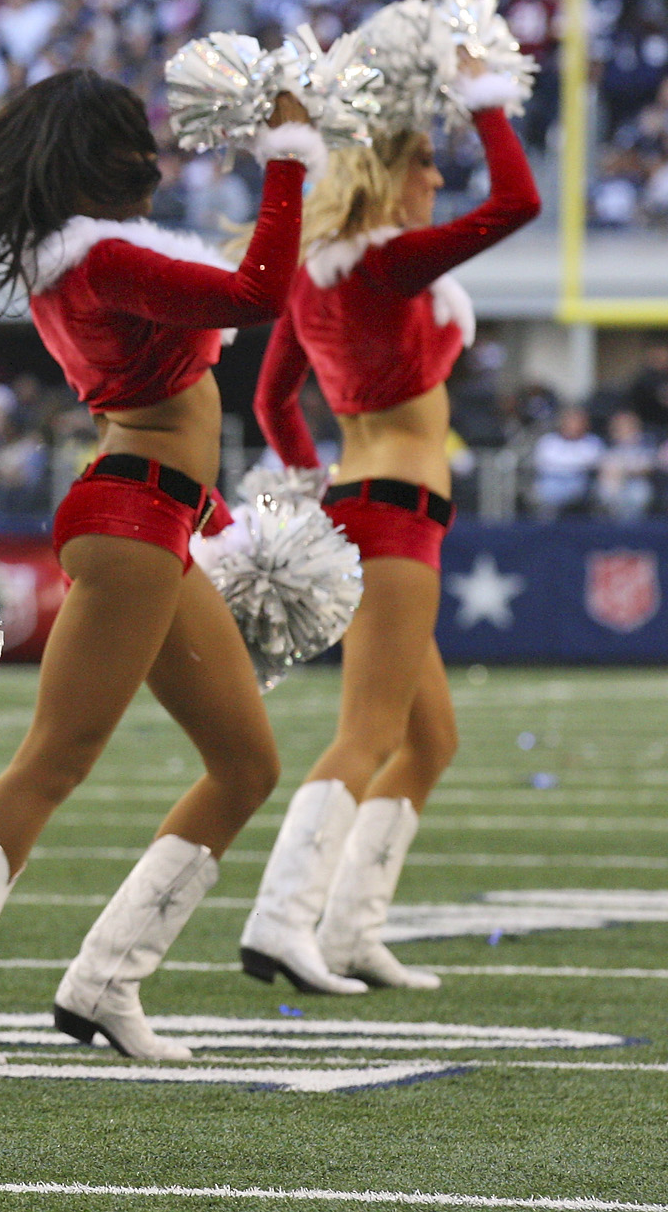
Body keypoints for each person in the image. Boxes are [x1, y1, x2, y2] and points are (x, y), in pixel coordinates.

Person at [0, 69, 319, 1064]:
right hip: (128, 524)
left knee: (246, 765)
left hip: (155, 522)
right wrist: (285, 163)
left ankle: (104, 982)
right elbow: (257, 291)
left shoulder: (99, 259)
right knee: (53, 758)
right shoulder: (103, 261)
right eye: (138, 150)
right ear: (105, 165)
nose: (156, 168)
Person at [247, 60, 538, 993]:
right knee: (369, 730)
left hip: (361, 506)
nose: (437, 179)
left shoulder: (317, 276)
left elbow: (271, 400)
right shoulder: (386, 260)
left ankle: (349, 928)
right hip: (397, 515)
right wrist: (490, 100)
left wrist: (305, 487)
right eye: (423, 160)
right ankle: (282, 917)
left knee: (431, 739)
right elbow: (518, 200)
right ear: (382, 171)